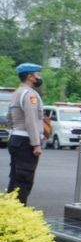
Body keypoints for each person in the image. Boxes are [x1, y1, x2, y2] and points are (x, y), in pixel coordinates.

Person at [6, 63, 45, 204]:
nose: (39, 77)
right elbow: (31, 120)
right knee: (24, 179)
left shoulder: (17, 92)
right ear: (30, 76)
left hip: (16, 137)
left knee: (15, 178)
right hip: (25, 141)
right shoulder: (29, 94)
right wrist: (36, 144)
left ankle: (10, 210)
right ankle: (19, 212)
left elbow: (9, 117)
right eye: (37, 74)